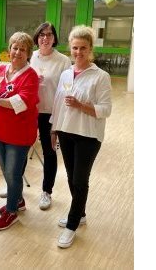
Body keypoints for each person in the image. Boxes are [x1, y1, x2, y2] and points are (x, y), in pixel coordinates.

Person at [50, 25, 112, 248]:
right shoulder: (66, 73)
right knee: (70, 177)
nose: (78, 52)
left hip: (88, 136)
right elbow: (58, 102)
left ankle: (72, 225)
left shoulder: (100, 76)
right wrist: (53, 129)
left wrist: (80, 105)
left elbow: (105, 109)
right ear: (70, 48)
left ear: (90, 49)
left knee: (79, 181)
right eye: (75, 48)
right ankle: (81, 213)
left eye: (83, 48)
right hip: (66, 131)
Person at [0, 31, 39, 230]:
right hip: (1, 130)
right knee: (6, 171)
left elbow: (21, 102)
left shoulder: (31, 75)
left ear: (29, 53)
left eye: (23, 49)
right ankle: (19, 200)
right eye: (15, 47)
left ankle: (12, 211)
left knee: (13, 174)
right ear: (9, 50)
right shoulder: (0, 70)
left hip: (20, 133)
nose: (17, 52)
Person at [30, 22, 72, 210]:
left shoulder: (63, 60)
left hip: (51, 114)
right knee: (23, 148)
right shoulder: (31, 57)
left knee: (49, 152)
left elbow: (66, 89)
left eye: (49, 35)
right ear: (37, 38)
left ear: (54, 38)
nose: (45, 38)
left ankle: (47, 191)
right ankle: (15, 185)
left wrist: (60, 117)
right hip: (30, 111)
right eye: (41, 35)